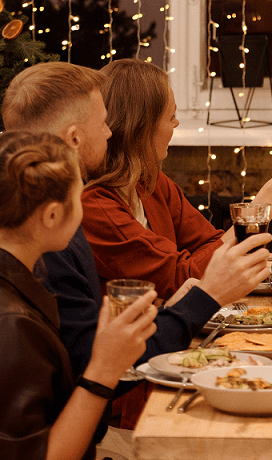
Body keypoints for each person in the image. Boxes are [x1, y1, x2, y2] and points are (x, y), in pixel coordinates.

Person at [1, 61, 271, 379]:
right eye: (102, 122)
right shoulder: (67, 228)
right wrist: (202, 296)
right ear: (74, 138)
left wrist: (176, 303)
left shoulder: (141, 185)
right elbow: (97, 369)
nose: (110, 131)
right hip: (121, 402)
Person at [80, 58, 272, 298]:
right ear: (140, 129)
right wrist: (269, 197)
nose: (176, 123)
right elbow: (181, 277)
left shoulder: (150, 181)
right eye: (170, 117)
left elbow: (210, 243)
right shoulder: (95, 207)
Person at [0, 131, 158, 460]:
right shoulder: (13, 326)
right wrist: (105, 367)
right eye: (79, 196)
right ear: (53, 215)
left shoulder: (26, 279)